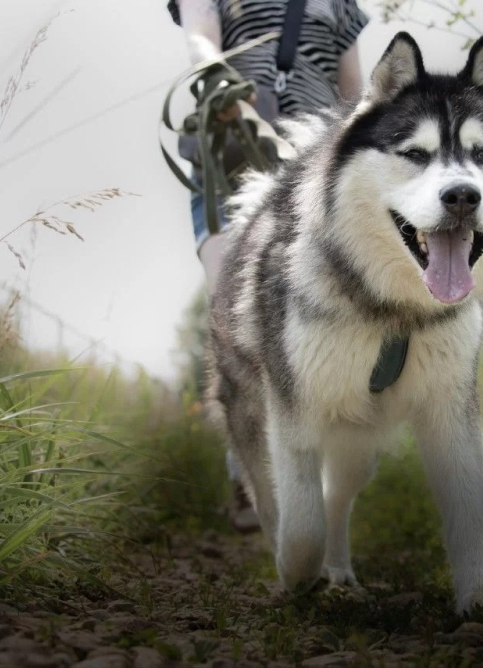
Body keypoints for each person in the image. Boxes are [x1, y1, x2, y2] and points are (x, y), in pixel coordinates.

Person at [167, 0, 368, 532]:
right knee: (234, 316)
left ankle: (309, 475)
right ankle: (250, 471)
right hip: (232, 158)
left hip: (312, 170)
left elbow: (354, 93)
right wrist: (220, 81)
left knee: (318, 319)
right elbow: (200, 37)